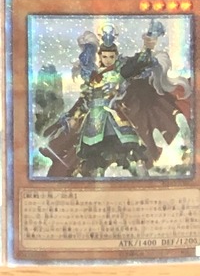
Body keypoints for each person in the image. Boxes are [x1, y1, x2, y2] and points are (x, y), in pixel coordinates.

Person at [40, 21, 192, 178]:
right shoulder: (92, 76)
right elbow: (85, 100)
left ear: (115, 56)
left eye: (111, 56)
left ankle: (144, 183)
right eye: (105, 56)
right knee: (95, 166)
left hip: (116, 120)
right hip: (94, 125)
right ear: (100, 56)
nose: (108, 59)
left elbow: (139, 61)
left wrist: (149, 43)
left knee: (134, 159)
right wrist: (73, 118)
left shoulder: (119, 72)